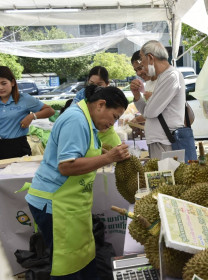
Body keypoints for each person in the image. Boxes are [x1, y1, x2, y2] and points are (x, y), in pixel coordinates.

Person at [24, 85, 130, 279]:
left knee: (83, 259)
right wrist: (108, 158)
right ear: (100, 105)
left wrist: (106, 154)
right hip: (55, 204)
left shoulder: (87, 120)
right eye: (114, 117)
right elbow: (67, 166)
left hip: (71, 205)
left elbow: (82, 153)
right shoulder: (76, 119)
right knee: (67, 266)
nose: (112, 125)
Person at [131, 40, 186, 160]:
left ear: (150, 58)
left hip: (165, 141)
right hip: (159, 140)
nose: (143, 69)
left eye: (142, 62)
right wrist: (137, 96)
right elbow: (146, 112)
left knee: (166, 177)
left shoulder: (171, 76)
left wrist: (148, 101)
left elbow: (150, 112)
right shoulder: (163, 77)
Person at [0, 66, 55, 160]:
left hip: (18, 146)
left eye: (4, 83)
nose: (0, 87)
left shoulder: (24, 99)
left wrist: (31, 116)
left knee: (18, 174)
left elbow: (50, 110)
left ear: (12, 83)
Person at [72, 66, 121, 148]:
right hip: (85, 135)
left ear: (107, 83)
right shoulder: (81, 95)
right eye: (91, 83)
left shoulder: (112, 97)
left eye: (99, 84)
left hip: (106, 135)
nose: (94, 87)